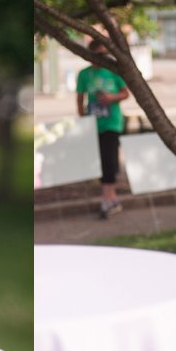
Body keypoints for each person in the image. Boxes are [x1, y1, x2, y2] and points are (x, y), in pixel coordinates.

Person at [76, 40, 130, 219]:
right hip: (93, 123)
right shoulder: (84, 75)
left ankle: (107, 198)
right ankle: (112, 198)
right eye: (97, 55)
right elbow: (80, 98)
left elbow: (125, 93)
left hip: (111, 122)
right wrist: (83, 119)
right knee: (100, 161)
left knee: (109, 159)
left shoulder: (113, 71)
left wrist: (111, 97)